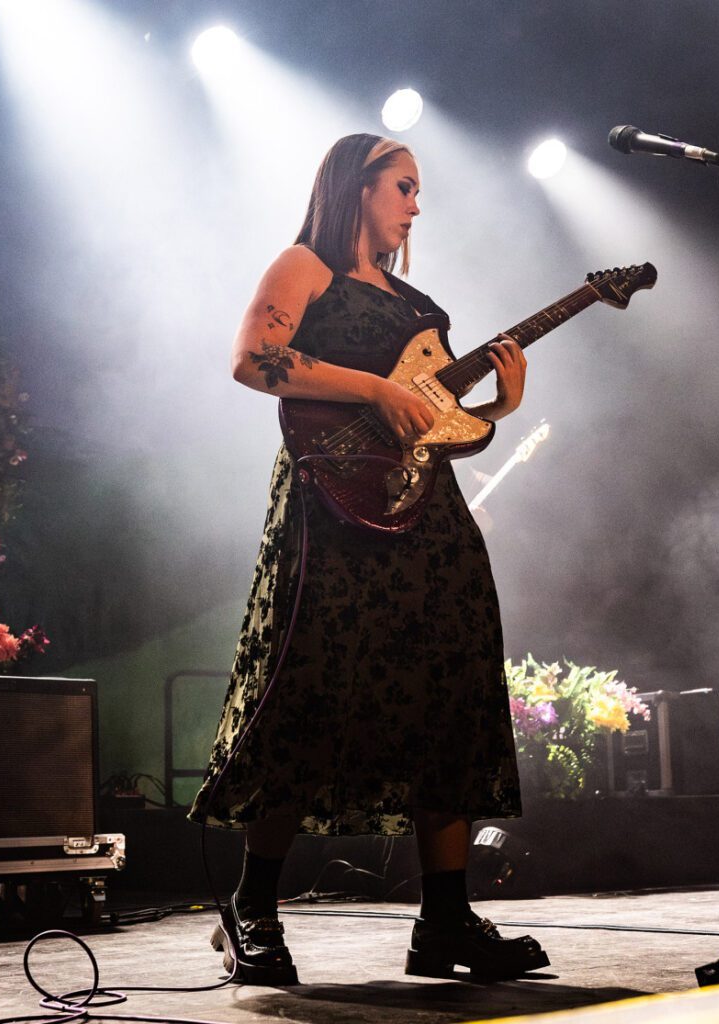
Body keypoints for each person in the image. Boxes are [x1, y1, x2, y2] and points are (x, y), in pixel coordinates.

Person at [189, 133, 548, 984]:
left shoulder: (419, 307)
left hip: (426, 512)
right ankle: (254, 907)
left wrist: (499, 401)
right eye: (404, 186)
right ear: (357, 185)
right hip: (328, 503)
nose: (416, 205)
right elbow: (253, 361)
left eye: (418, 191)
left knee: (448, 690)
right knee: (309, 684)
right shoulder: (303, 266)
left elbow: (430, 426)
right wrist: (373, 388)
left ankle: (447, 922)